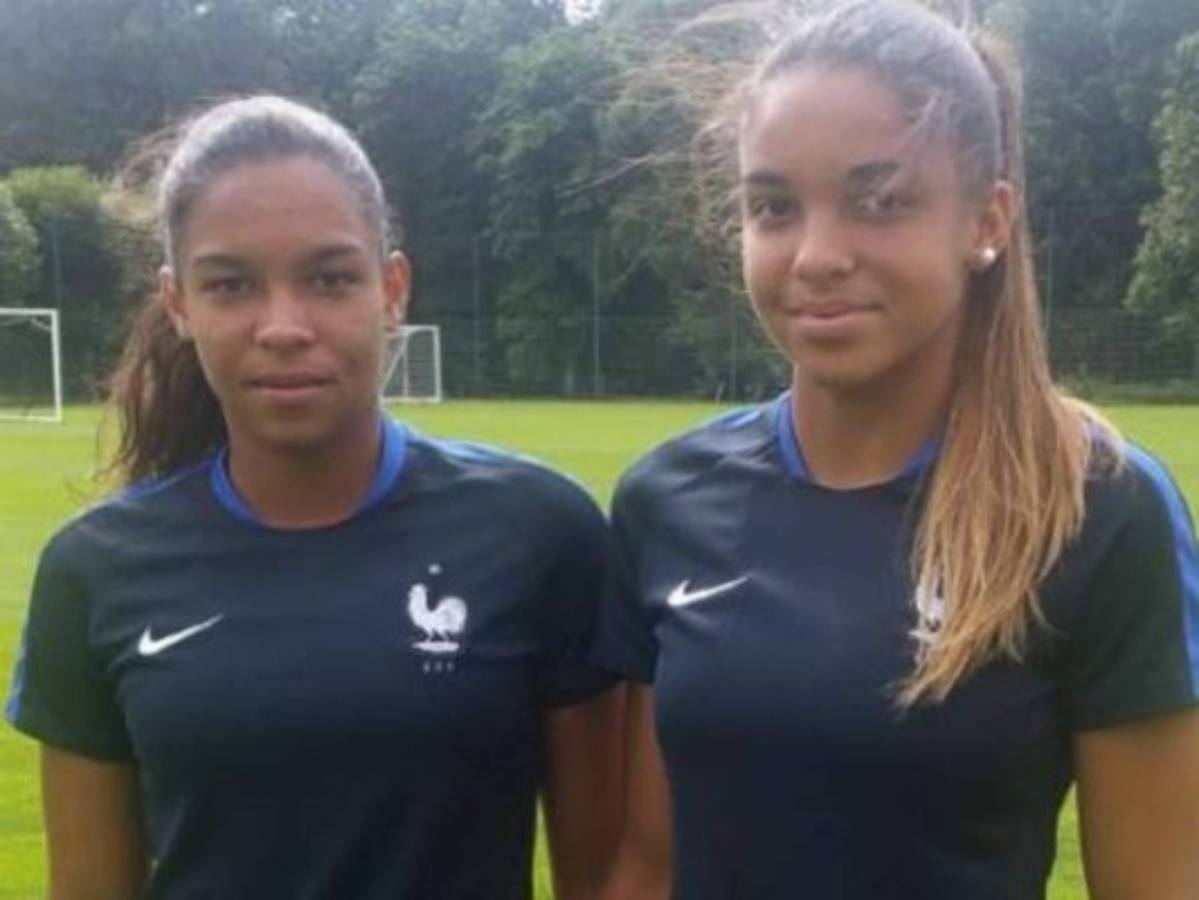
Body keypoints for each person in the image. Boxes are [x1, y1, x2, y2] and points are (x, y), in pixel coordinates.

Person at [594, 2, 1199, 897]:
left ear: (986, 221)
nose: (815, 255)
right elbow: (647, 866)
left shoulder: (1093, 505)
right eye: (773, 206)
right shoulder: (665, 499)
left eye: (877, 202)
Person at [6, 95, 624, 899]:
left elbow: (604, 877)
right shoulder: (93, 572)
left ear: (392, 289)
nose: (283, 326)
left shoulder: (540, 532)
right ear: (178, 304)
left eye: (329, 279)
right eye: (231, 285)